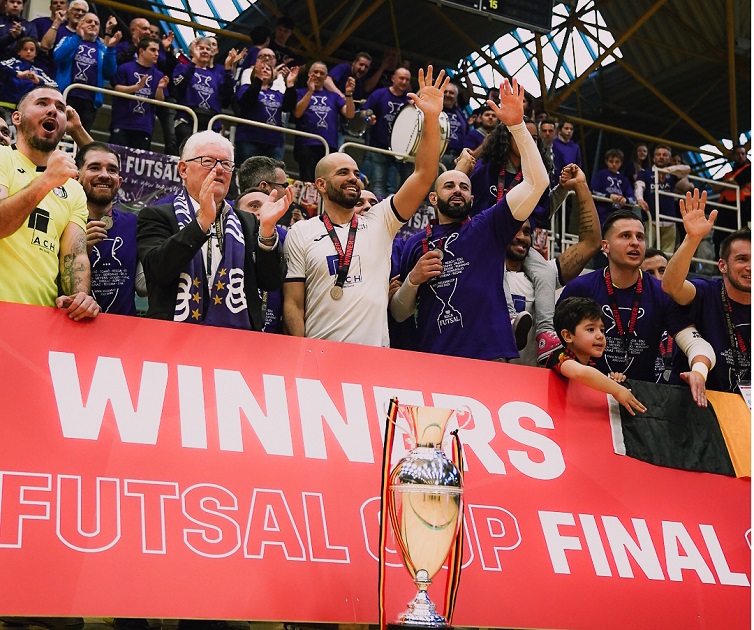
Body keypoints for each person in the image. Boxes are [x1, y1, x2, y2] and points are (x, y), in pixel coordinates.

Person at [283, 66, 448, 347]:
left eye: (356, 173)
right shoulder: (301, 231)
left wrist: (430, 120)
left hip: (372, 359)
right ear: (321, 185)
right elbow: (293, 303)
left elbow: (424, 175)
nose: (353, 178)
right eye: (343, 173)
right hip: (319, 354)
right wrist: (301, 353)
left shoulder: (380, 221)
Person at [389, 78, 549, 361]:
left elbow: (537, 183)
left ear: (472, 199)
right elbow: (398, 314)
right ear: (433, 198)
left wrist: (517, 126)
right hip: (432, 359)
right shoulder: (413, 245)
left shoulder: (488, 226)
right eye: (449, 186)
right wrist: (413, 280)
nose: (458, 190)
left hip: (489, 357)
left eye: (464, 186)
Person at [558, 208, 717, 406]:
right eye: (625, 236)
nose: (635, 242)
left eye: (640, 237)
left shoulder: (661, 293)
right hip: (583, 393)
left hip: (641, 399)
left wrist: (699, 371)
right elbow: (556, 343)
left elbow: (695, 343)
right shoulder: (580, 287)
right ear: (605, 246)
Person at [137, 130, 291, 329]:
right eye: (208, 161)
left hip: (236, 337)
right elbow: (158, 272)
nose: (219, 169)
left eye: (226, 164)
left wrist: (267, 232)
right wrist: (201, 223)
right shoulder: (156, 215)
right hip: (173, 334)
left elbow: (271, 282)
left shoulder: (247, 222)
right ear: (183, 169)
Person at [0, 86, 99, 320]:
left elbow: (74, 256)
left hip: (41, 320)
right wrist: (46, 180)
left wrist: (80, 296)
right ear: (17, 118)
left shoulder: (73, 188)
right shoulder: (3, 158)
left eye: (60, 108)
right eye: (42, 103)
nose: (53, 110)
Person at [507, 164, 602, 366]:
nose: (521, 237)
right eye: (514, 229)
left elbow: (591, 243)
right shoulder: (480, 271)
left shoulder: (546, 273)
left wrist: (580, 185)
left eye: (527, 232)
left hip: (532, 377)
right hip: (484, 373)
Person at [661, 190, 750, 392]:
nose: (749, 267)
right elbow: (671, 286)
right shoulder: (707, 292)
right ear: (722, 266)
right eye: (742, 259)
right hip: (697, 402)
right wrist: (692, 239)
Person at [77, 141, 145, 315]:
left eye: (112, 170)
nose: (104, 175)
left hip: (123, 329)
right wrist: (79, 250)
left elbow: (144, 286)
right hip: (74, 324)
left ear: (119, 181)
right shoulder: (64, 223)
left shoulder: (134, 224)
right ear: (77, 177)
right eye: (94, 168)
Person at [551, 297, 646, 415]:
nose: (600, 336)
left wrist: (614, 380)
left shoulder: (594, 365)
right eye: (591, 329)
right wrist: (617, 390)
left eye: (602, 330)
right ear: (568, 336)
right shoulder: (559, 357)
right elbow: (581, 373)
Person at [53, 11, 120, 132]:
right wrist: (78, 37)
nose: (93, 24)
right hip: (67, 95)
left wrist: (110, 49)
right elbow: (58, 56)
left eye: (96, 23)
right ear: (80, 24)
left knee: (80, 137)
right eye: (89, 21)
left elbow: (110, 72)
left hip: (90, 100)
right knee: (59, 132)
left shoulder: (102, 48)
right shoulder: (68, 39)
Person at [293, 60, 355, 182]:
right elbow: (297, 113)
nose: (318, 75)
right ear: (309, 73)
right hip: (306, 144)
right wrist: (310, 91)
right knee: (308, 181)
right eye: (315, 72)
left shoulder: (333, 96)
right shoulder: (300, 92)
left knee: (325, 182)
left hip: (328, 145)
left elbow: (349, 114)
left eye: (322, 73)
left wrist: (348, 94)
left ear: (326, 77)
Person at [171, 37, 236, 153]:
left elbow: (227, 95)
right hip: (187, 120)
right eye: (201, 48)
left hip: (211, 123)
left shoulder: (216, 74)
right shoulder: (182, 67)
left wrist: (227, 69)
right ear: (193, 51)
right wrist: (193, 62)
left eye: (208, 49)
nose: (205, 51)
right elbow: (179, 84)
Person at [233, 59, 298, 163]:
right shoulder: (245, 88)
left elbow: (288, 107)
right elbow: (247, 102)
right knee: (249, 171)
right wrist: (258, 80)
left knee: (274, 172)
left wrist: (290, 84)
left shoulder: (277, 93)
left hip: (274, 143)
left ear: (273, 75)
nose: (265, 70)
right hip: (249, 139)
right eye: (261, 68)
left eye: (268, 69)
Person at [109, 36, 169, 150]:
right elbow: (117, 88)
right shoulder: (125, 68)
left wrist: (160, 88)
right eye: (153, 50)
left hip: (144, 126)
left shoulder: (159, 75)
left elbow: (160, 100)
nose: (157, 54)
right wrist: (137, 87)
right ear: (141, 51)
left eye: (158, 51)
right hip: (122, 121)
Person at [361, 66, 411, 198]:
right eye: (401, 78)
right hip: (379, 146)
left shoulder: (409, 100)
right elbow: (364, 112)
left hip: (400, 150)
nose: (404, 82)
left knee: (394, 186)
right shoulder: (380, 94)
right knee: (378, 183)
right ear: (393, 78)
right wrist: (369, 119)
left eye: (407, 80)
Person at [634, 144, 693, 251]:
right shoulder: (645, 173)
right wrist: (640, 199)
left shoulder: (672, 174)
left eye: (665, 155)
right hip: (650, 219)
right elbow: (639, 186)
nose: (661, 157)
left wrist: (667, 170)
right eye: (658, 155)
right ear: (653, 158)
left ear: (669, 159)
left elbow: (687, 169)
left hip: (669, 220)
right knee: (646, 251)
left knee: (667, 255)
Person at [711, 144, 750, 257]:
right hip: (725, 207)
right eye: (738, 154)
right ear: (733, 156)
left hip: (742, 206)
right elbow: (714, 188)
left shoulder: (749, 170)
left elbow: (735, 184)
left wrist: (725, 184)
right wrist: (727, 183)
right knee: (719, 237)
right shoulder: (728, 174)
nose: (740, 156)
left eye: (743, 154)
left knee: (738, 236)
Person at [0, 37, 57, 106]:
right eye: (25, 49)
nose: (28, 52)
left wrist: (39, 82)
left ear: (35, 53)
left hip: (24, 108)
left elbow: (54, 85)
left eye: (32, 50)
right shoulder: (13, 63)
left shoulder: (38, 71)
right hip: (3, 106)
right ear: (19, 52)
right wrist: (16, 73)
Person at [590, 148, 636, 226]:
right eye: (611, 161)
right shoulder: (600, 175)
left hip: (618, 217)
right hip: (601, 215)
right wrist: (609, 196)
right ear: (606, 161)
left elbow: (634, 199)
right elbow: (593, 192)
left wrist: (625, 200)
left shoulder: (624, 180)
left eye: (617, 162)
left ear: (621, 163)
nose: (614, 164)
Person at [439, 81, 467, 170]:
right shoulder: (434, 109)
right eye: (445, 92)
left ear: (456, 98)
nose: (447, 95)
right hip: (438, 155)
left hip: (456, 157)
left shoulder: (461, 115)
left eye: (451, 93)